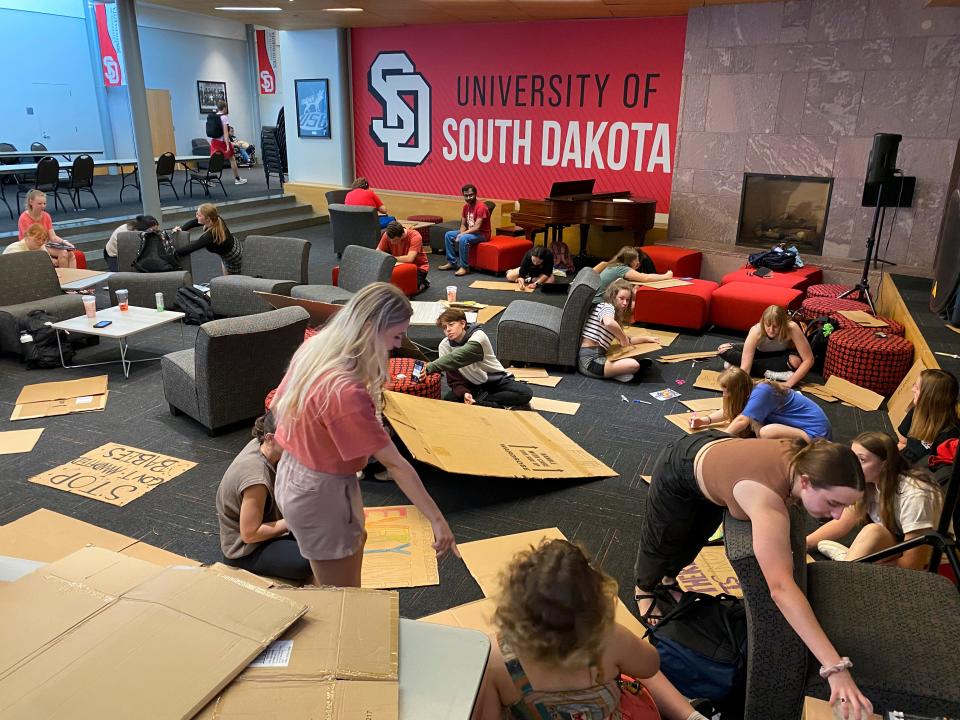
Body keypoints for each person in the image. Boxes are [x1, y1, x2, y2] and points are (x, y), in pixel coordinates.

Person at [634, 434, 873, 719]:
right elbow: (781, 588)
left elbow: (771, 430)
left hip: (718, 454)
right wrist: (835, 669)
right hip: (680, 463)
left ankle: (667, 580)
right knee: (660, 547)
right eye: (833, 502)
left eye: (845, 506)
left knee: (690, 541)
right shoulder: (768, 503)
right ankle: (645, 590)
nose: (837, 516)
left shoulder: (803, 451)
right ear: (806, 481)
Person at [270, 282, 458, 587]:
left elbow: (279, 407)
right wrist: (437, 520)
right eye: (396, 335)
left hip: (295, 475)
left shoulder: (315, 349)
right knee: (344, 596)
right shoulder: (345, 390)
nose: (397, 345)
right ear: (371, 327)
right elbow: (395, 464)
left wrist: (325, 438)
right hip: (322, 490)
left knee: (348, 551)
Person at [807, 432, 943, 570]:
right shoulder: (870, 482)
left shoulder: (916, 495)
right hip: (898, 543)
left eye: (861, 459)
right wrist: (804, 544)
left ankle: (848, 564)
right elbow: (845, 519)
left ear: (885, 464)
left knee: (873, 532)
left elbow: (912, 565)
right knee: (873, 535)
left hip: (930, 560)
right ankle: (852, 560)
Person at [216, 412, 312, 582]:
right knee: (310, 559)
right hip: (246, 550)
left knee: (323, 532)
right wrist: (294, 519)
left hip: (268, 525)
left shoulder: (261, 445)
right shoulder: (256, 479)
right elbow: (250, 534)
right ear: (270, 438)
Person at [426, 308, 533, 409]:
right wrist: (464, 393)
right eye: (444, 327)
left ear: (463, 324)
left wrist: (430, 367)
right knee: (449, 399)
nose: (448, 330)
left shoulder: (478, 337)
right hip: (473, 385)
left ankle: (481, 402)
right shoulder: (444, 346)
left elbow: (458, 357)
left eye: (451, 325)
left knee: (525, 393)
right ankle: (491, 404)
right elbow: (454, 380)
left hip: (496, 381)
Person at [689, 367, 832, 441]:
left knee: (764, 432)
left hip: (815, 433)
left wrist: (718, 440)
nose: (724, 395)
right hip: (803, 428)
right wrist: (704, 421)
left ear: (737, 390)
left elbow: (741, 419)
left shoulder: (762, 391)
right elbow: (729, 410)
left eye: (726, 392)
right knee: (756, 426)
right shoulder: (750, 390)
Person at [579, 279, 659, 383]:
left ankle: (619, 373)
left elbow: (627, 340)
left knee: (634, 354)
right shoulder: (607, 307)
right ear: (613, 297)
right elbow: (609, 323)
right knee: (633, 365)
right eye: (621, 298)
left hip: (598, 357)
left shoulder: (614, 316)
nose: (625, 303)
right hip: (589, 362)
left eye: (628, 300)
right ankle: (619, 373)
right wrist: (622, 338)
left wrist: (646, 339)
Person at [717, 304, 814, 386]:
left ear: (783, 324)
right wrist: (743, 382)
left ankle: (736, 365)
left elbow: (809, 359)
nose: (771, 330)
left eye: (775, 327)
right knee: (722, 349)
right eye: (768, 325)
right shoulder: (756, 330)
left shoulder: (792, 328)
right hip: (759, 352)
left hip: (779, 355)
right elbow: (746, 367)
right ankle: (770, 373)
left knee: (796, 362)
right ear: (763, 323)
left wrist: (788, 384)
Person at [897, 368, 960, 475]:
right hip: (906, 463)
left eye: (917, 388)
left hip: (921, 475)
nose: (912, 390)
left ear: (930, 397)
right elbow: (902, 442)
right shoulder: (916, 410)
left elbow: (938, 471)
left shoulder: (949, 434)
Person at [172, 202, 242, 275]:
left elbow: (192, 247)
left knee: (233, 281)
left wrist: (174, 253)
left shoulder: (209, 236)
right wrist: (182, 229)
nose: (196, 216)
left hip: (233, 257)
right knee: (226, 276)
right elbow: (194, 222)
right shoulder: (215, 218)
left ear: (207, 219)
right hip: (230, 247)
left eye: (199, 215)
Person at [440, 183, 491, 276]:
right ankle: (452, 262)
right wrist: (461, 232)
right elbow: (463, 224)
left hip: (482, 234)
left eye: (471, 195)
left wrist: (462, 235)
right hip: (470, 231)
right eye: (466, 196)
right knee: (448, 234)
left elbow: (477, 227)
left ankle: (464, 267)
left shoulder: (481, 207)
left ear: (475, 194)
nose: (468, 198)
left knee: (464, 238)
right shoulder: (466, 207)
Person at [16, 190, 76, 268]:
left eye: (44, 203)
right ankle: (63, 278)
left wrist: (65, 242)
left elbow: (53, 237)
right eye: (39, 203)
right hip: (32, 246)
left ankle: (73, 277)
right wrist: (49, 257)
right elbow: (31, 242)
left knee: (71, 253)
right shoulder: (24, 218)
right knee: (63, 253)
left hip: (44, 244)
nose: (43, 206)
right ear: (31, 202)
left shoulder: (46, 216)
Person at [592, 246, 673, 303]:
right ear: (631, 260)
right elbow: (645, 277)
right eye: (637, 259)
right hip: (599, 302)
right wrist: (666, 276)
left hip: (593, 300)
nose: (638, 262)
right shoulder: (622, 268)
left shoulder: (613, 265)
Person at [377, 220, 429, 293]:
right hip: (398, 264)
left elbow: (409, 258)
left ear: (402, 235)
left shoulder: (415, 236)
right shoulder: (387, 235)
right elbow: (378, 253)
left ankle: (423, 282)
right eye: (390, 240)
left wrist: (389, 259)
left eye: (395, 240)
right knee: (388, 288)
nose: (392, 242)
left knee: (408, 291)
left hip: (418, 267)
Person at [210, 100, 247, 185]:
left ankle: (207, 179)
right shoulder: (224, 117)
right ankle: (237, 179)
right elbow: (226, 133)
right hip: (222, 142)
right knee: (232, 159)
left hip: (214, 142)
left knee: (214, 161)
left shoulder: (214, 116)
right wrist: (227, 145)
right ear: (225, 107)